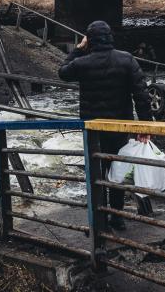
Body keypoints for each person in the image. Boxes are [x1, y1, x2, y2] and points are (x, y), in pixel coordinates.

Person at [58, 20, 153, 231]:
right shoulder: (126, 59)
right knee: (117, 170)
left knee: (96, 173)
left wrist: (78, 49)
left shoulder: (83, 63)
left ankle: (99, 220)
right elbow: (142, 95)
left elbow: (63, 72)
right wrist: (145, 127)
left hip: (93, 129)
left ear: (89, 40)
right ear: (110, 37)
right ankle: (117, 217)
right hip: (120, 127)